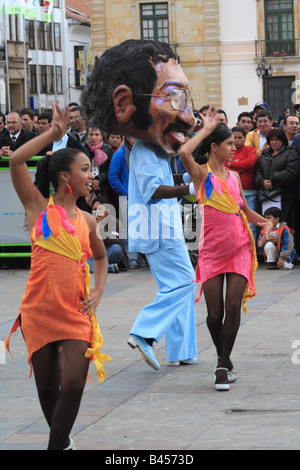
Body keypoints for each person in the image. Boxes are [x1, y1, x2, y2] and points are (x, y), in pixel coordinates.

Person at [81, 39, 198, 370]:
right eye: (174, 98)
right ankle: (145, 332)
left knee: (177, 285)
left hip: (163, 225)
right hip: (157, 227)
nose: (187, 115)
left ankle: (182, 349)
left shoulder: (156, 150)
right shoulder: (145, 153)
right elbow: (152, 191)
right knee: (184, 283)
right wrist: (187, 187)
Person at [5, 101, 110, 450]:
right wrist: (53, 133)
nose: (91, 174)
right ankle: (62, 442)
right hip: (38, 311)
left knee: (76, 385)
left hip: (76, 312)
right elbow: (17, 160)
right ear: (65, 177)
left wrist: (98, 290)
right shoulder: (38, 208)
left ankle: (54, 446)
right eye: (85, 168)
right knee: (49, 390)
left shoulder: (88, 220)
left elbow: (100, 256)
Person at [179, 109, 272, 391]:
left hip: (241, 247)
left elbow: (243, 209)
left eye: (235, 143)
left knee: (233, 305)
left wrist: (265, 221)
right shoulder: (201, 175)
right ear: (214, 147)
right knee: (214, 315)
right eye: (230, 144)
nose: (234, 148)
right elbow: (185, 153)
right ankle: (225, 358)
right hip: (211, 252)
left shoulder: (233, 177)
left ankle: (221, 366)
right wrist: (206, 129)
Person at [108, 135, 146, 269]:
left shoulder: (142, 151)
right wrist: (126, 192)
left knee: (141, 227)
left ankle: (140, 255)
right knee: (128, 229)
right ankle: (131, 258)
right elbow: (112, 177)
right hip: (127, 196)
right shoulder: (120, 154)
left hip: (142, 196)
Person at [254, 127, 300, 224]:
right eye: (272, 140)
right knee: (265, 223)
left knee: (282, 225)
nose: (274, 142)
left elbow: (293, 172)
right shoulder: (265, 153)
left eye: (277, 140)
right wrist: (262, 182)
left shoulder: (291, 152)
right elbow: (257, 171)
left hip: (284, 196)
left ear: (283, 140)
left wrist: (274, 178)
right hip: (264, 195)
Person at [227, 126, 258, 239]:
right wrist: (241, 167)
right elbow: (224, 167)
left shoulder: (250, 150)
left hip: (250, 194)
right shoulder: (226, 150)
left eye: (240, 137)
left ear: (245, 138)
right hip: (231, 194)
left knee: (250, 225)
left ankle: (251, 253)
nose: (236, 140)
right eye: (234, 137)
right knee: (234, 225)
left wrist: (233, 165)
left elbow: (250, 163)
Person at [88, 196, 125, 273]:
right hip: (92, 254)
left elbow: (116, 241)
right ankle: (108, 267)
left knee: (117, 249)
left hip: (107, 252)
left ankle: (93, 266)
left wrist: (100, 228)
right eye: (95, 209)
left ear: (106, 211)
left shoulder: (115, 222)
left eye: (100, 209)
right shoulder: (88, 221)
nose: (97, 212)